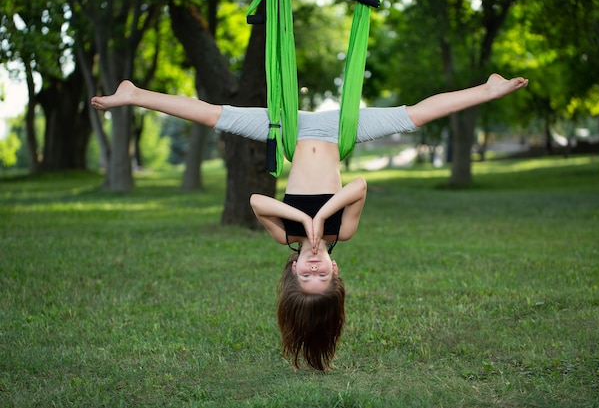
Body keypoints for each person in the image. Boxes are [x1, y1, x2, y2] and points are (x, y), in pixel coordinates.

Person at [91, 73, 529, 371]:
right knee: (414, 115)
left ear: (294, 270)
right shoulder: (343, 231)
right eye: (323, 274)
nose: (315, 266)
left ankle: (135, 95)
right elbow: (357, 184)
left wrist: (302, 216)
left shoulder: (285, 234)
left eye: (307, 274)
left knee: (213, 114)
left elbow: (257, 199)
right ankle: (487, 90)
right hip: (342, 129)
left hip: (285, 128)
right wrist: (322, 215)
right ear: (335, 271)